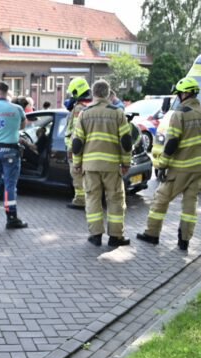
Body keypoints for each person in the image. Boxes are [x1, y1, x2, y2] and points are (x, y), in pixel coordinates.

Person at [137, 77, 201, 251]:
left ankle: (152, 234)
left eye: (179, 94)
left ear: (185, 94)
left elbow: (172, 142)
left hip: (180, 168)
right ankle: (184, 241)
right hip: (200, 168)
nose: (178, 97)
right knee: (190, 205)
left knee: (161, 200)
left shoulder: (180, 114)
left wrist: (162, 165)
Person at [72, 80, 132, 247]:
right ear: (108, 93)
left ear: (93, 94)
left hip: (90, 166)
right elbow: (126, 141)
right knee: (115, 200)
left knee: (92, 199)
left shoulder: (85, 113)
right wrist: (126, 163)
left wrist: (77, 163)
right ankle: (115, 237)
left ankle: (96, 235)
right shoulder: (118, 113)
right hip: (111, 166)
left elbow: (77, 142)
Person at [0, 81, 28, 229]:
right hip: (10, 151)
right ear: (7, 91)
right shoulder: (17, 109)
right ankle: (11, 217)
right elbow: (22, 126)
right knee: (10, 184)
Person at [65, 78, 92, 210]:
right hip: (89, 147)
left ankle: (80, 200)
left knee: (76, 173)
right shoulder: (91, 105)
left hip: (77, 148)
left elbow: (76, 132)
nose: (71, 96)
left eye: (73, 93)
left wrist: (72, 149)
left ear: (77, 92)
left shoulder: (79, 108)